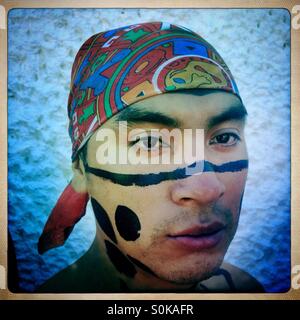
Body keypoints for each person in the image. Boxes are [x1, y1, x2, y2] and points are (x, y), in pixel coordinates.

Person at [37, 22, 264, 293]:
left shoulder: (246, 290)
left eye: (224, 137)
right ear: (81, 168)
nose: (208, 189)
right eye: (149, 142)